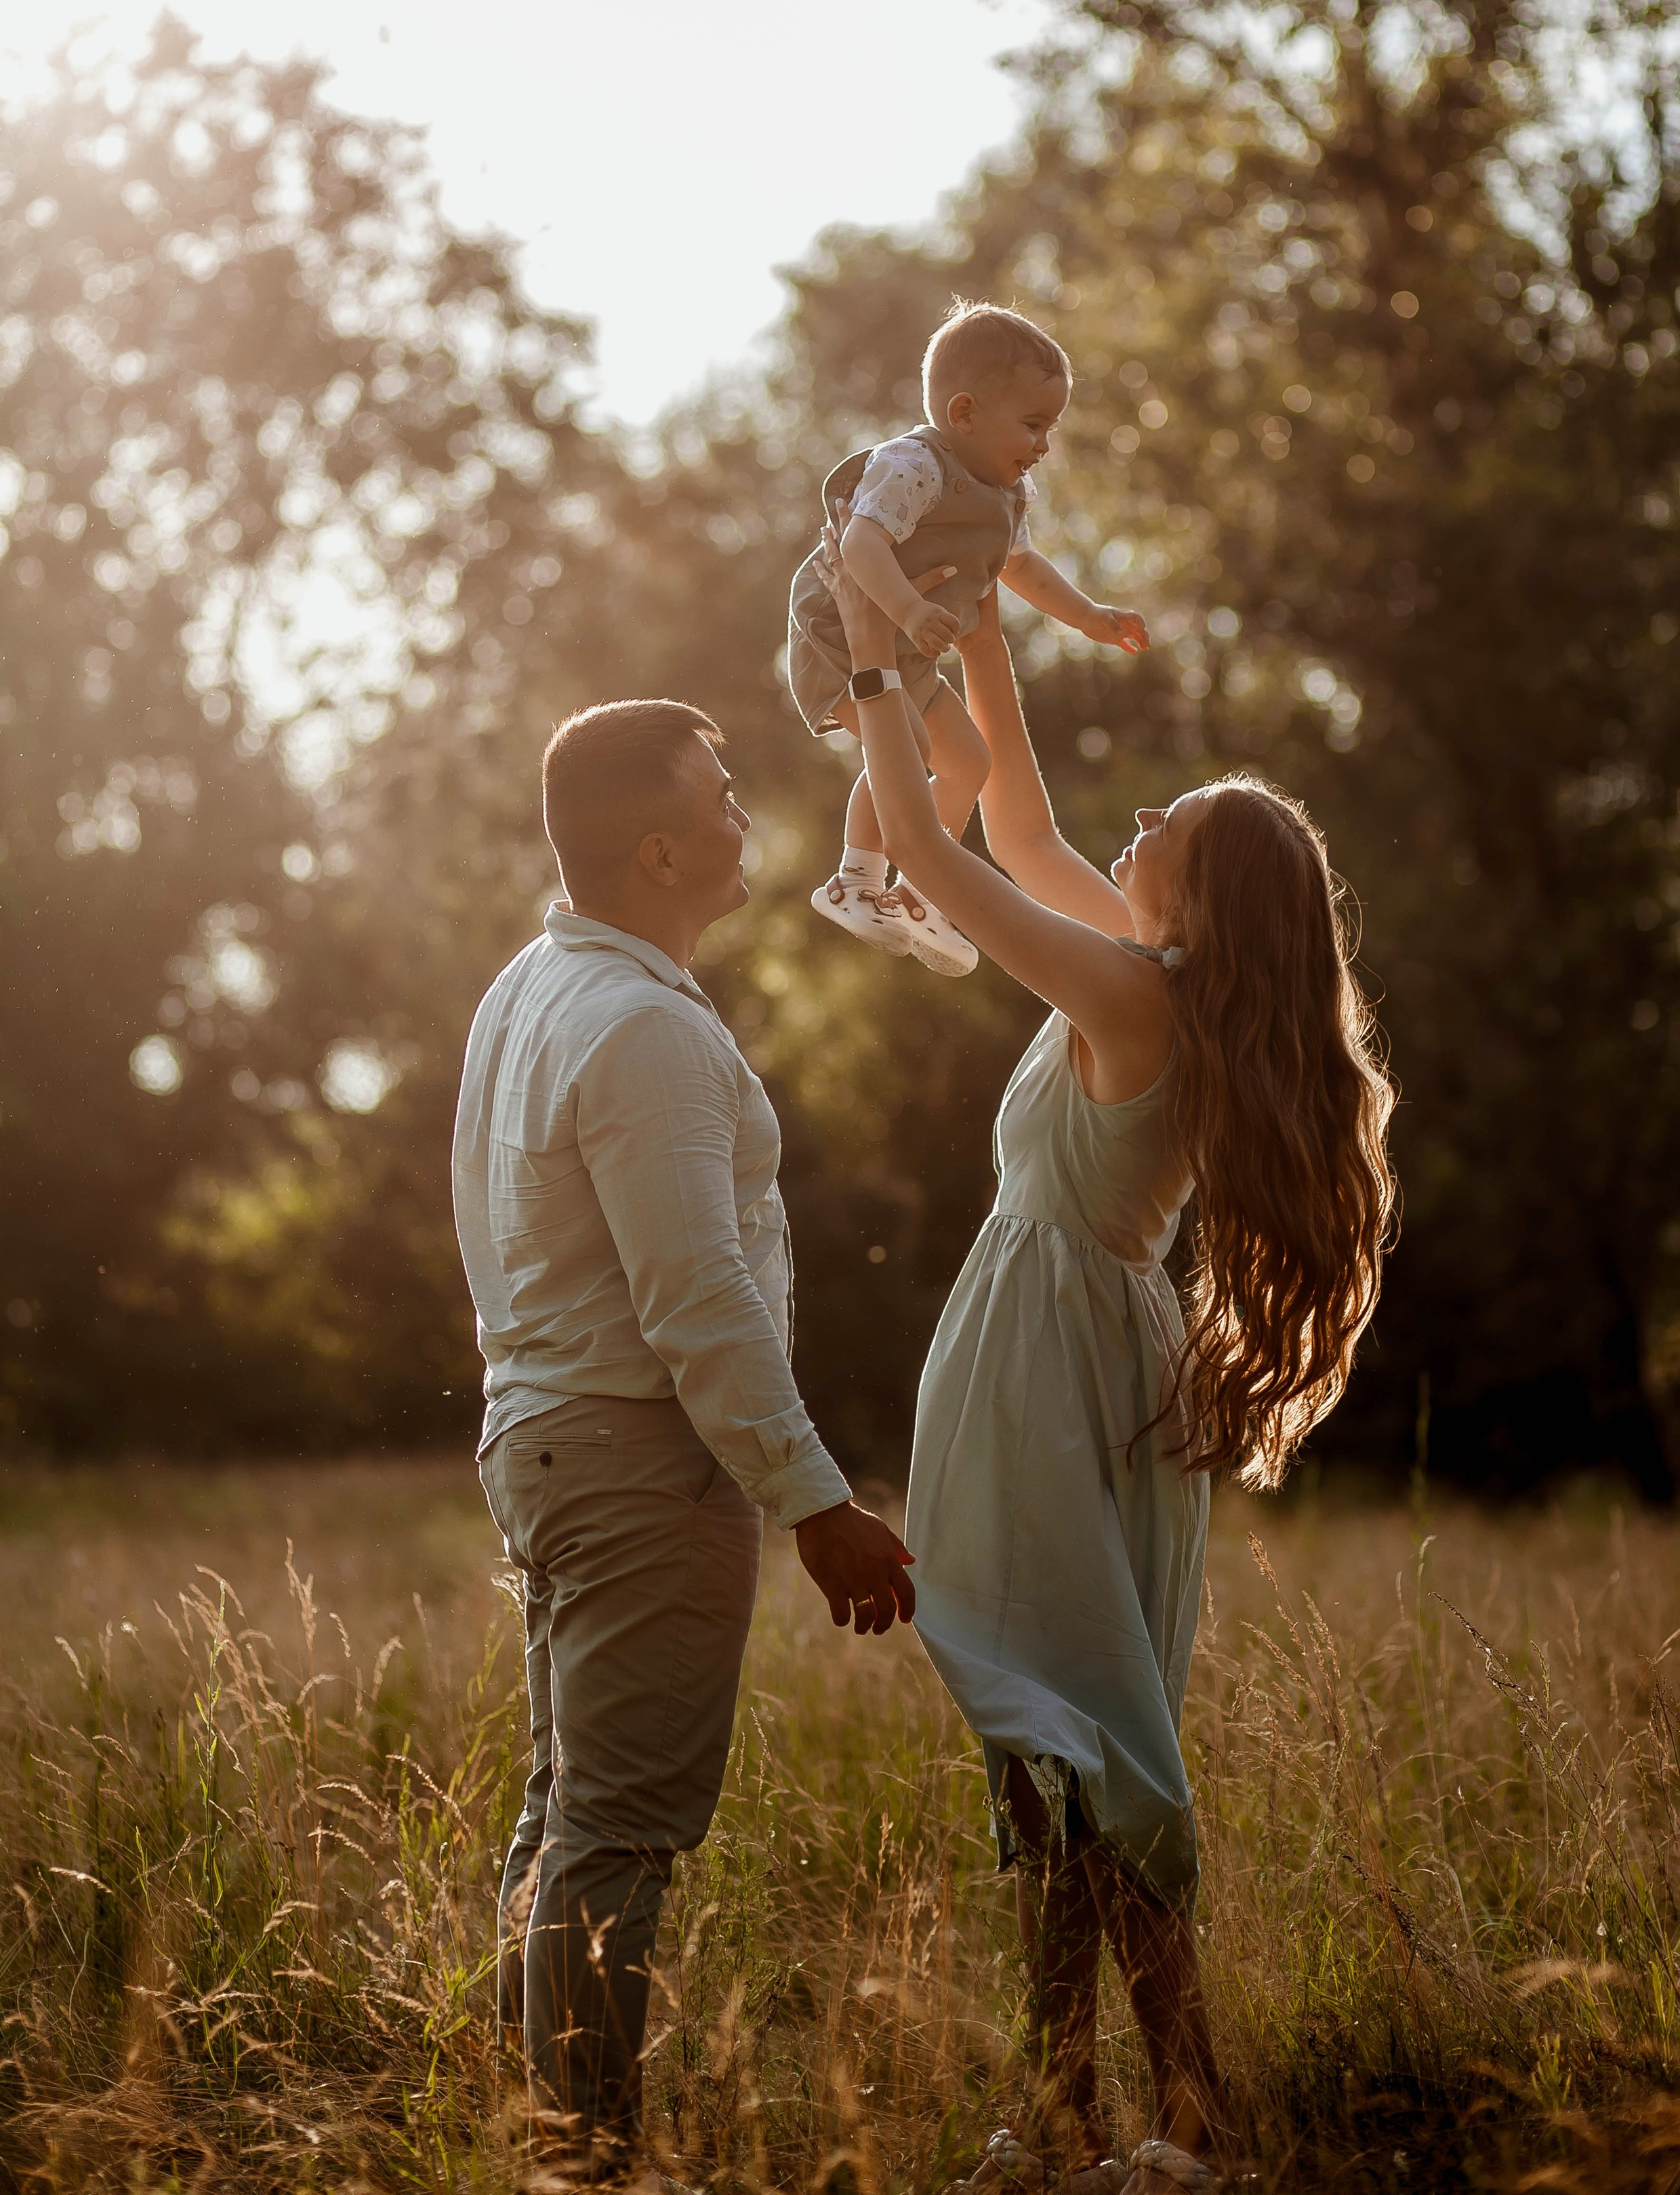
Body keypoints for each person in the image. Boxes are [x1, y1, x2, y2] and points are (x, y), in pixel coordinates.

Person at [819, 545, 1395, 2188]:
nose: (1129, 834)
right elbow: (1022, 831)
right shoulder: (1164, 987)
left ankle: (1176, 2110)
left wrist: (874, 666)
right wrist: (982, 628)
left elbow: (931, 842)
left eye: (1168, 831)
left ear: (1198, 904)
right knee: (1058, 1742)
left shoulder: (1132, 996)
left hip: (1047, 1361)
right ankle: (1073, 2106)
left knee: (1070, 1740)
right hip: (1091, 1350)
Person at [451, 698, 916, 2179]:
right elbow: (697, 1304)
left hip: (543, 1435)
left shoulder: (532, 983)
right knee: (619, 1831)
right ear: (657, 852)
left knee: (566, 1804)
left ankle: (541, 2134)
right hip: (633, 1459)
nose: (743, 815)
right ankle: (586, 2157)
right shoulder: (640, 1027)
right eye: (718, 798)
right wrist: (815, 1501)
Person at [786, 301, 1148, 978]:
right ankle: (854, 880)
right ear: (963, 414)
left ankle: (920, 895)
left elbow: (1022, 567)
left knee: (969, 762)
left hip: (908, 646)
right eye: (1034, 425)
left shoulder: (1007, 496)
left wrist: (1088, 616)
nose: (1043, 444)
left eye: (1051, 428)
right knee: (916, 749)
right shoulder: (913, 465)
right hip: (843, 633)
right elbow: (859, 542)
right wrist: (903, 608)